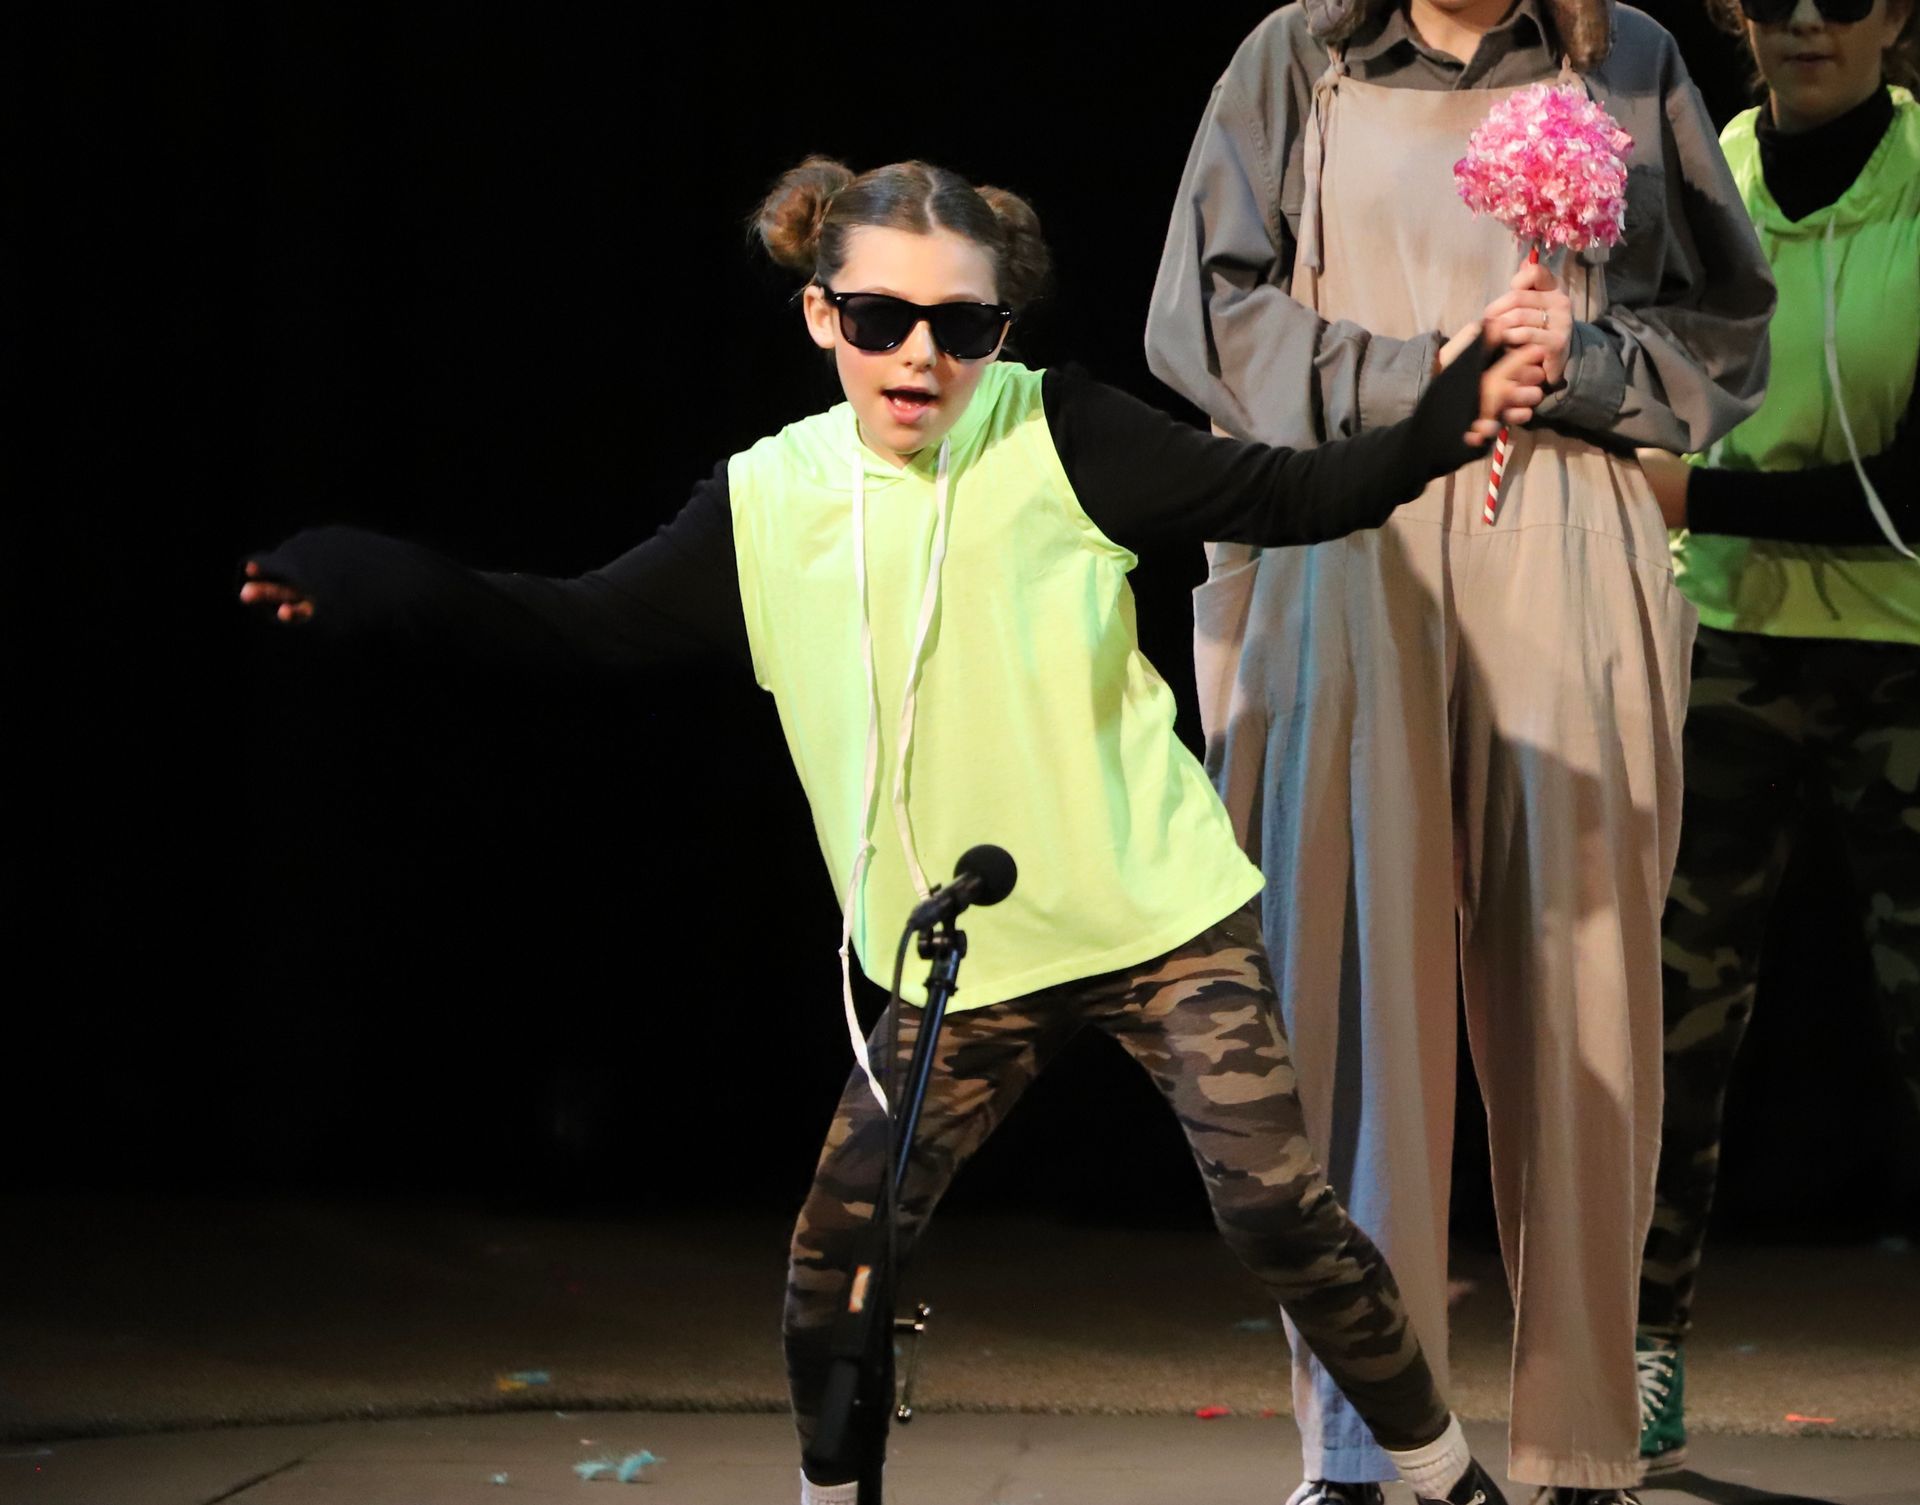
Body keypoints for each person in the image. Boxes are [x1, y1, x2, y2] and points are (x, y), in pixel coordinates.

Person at [240, 158, 1544, 1505]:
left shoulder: (1063, 432)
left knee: (1279, 1211)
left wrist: (1447, 417)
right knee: (838, 1261)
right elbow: (575, 626)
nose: (920, 354)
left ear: (1001, 330)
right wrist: (388, 581)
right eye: (880, 321)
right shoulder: (767, 501)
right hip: (954, 957)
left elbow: (1290, 495)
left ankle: (1440, 1476)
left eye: (961, 326)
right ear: (822, 318)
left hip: (1155, 917)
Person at [1144, 3, 1776, 1502]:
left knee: (1590, 1002)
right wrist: (1420, 374)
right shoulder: (1302, 56)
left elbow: (1727, 330)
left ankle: (1581, 1446)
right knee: (1355, 997)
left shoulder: (1627, 55)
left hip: (1568, 524)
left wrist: (1591, 351)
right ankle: (1368, 1450)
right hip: (1354, 521)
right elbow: (1205, 314)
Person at [1631, 0, 1919, 1476]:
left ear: (1900, 16)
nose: (1812, 16)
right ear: (1739, 16)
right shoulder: (1693, 174)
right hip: (1720, 652)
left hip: (1909, 664)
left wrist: (1705, 499)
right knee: (1671, 1026)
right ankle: (1641, 1347)